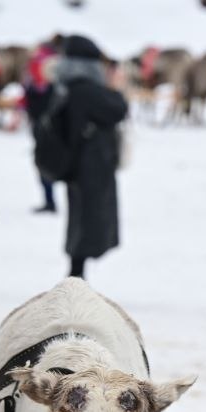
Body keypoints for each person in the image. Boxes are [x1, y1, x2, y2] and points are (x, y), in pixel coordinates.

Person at [50, 34, 128, 279]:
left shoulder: (67, 86)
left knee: (81, 217)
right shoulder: (86, 90)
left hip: (77, 165)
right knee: (87, 220)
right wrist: (115, 88)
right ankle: (76, 274)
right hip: (90, 166)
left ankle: (76, 271)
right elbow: (117, 109)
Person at [23, 34, 65, 213]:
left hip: (42, 124)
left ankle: (49, 200)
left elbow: (31, 95)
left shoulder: (39, 63)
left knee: (43, 162)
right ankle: (52, 201)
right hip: (54, 124)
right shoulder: (60, 65)